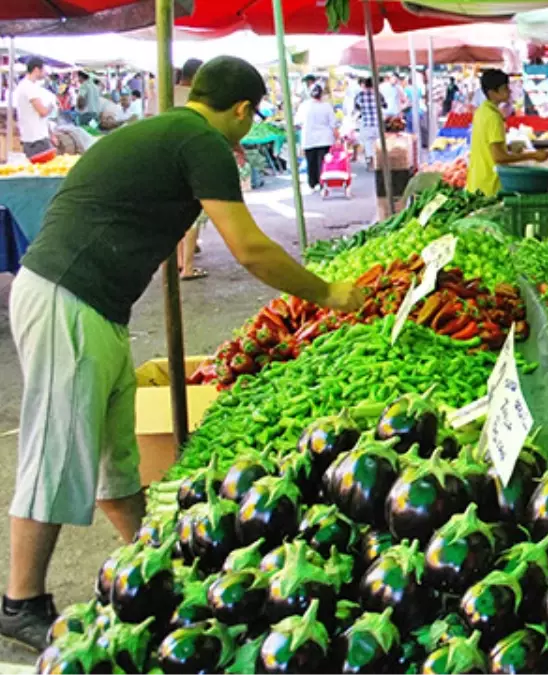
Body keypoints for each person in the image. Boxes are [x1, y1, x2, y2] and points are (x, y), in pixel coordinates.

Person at [0, 55, 365, 652]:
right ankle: (21, 601)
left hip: (86, 299)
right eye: (253, 117)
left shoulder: (165, 129)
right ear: (243, 109)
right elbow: (247, 247)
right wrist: (327, 293)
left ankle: (147, 560)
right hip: (70, 293)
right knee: (55, 447)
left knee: (114, 449)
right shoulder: (203, 142)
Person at [466, 69, 548, 196]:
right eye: (505, 88)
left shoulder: (482, 111)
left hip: (478, 181)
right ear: (492, 93)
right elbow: (499, 157)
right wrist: (533, 155)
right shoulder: (493, 117)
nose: (509, 91)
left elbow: (488, 146)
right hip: (490, 185)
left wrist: (508, 147)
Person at [174, 58, 207, 280]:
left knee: (176, 214)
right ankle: (187, 266)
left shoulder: (165, 93)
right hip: (190, 160)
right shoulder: (196, 99)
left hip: (166, 161)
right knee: (193, 215)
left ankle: (178, 260)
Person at [299, 83, 339, 193]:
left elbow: (298, 122)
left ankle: (313, 183)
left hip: (309, 139)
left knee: (311, 162)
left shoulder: (304, 106)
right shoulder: (327, 106)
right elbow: (333, 124)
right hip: (325, 138)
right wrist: (337, 137)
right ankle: (323, 182)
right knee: (323, 163)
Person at [14, 58, 56, 161]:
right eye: (44, 70)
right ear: (37, 70)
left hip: (33, 137)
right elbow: (42, 112)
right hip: (36, 139)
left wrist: (51, 134)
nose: (45, 73)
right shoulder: (29, 87)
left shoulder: (26, 86)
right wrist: (52, 105)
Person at [353, 77, 386, 170]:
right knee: (379, 144)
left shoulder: (359, 95)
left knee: (368, 143)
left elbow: (356, 108)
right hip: (378, 123)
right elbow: (385, 105)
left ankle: (370, 163)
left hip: (366, 123)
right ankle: (379, 163)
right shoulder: (378, 95)